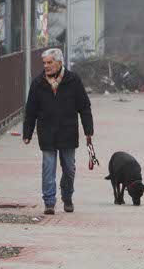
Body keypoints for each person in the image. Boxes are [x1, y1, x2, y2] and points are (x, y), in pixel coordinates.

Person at [23, 48, 94, 215]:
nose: (46, 66)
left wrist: (88, 130)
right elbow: (31, 110)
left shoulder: (73, 80)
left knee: (69, 168)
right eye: (44, 63)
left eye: (49, 62)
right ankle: (49, 202)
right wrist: (27, 132)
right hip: (46, 131)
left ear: (59, 62)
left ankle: (67, 196)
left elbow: (84, 107)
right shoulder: (38, 83)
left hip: (68, 131)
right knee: (48, 167)